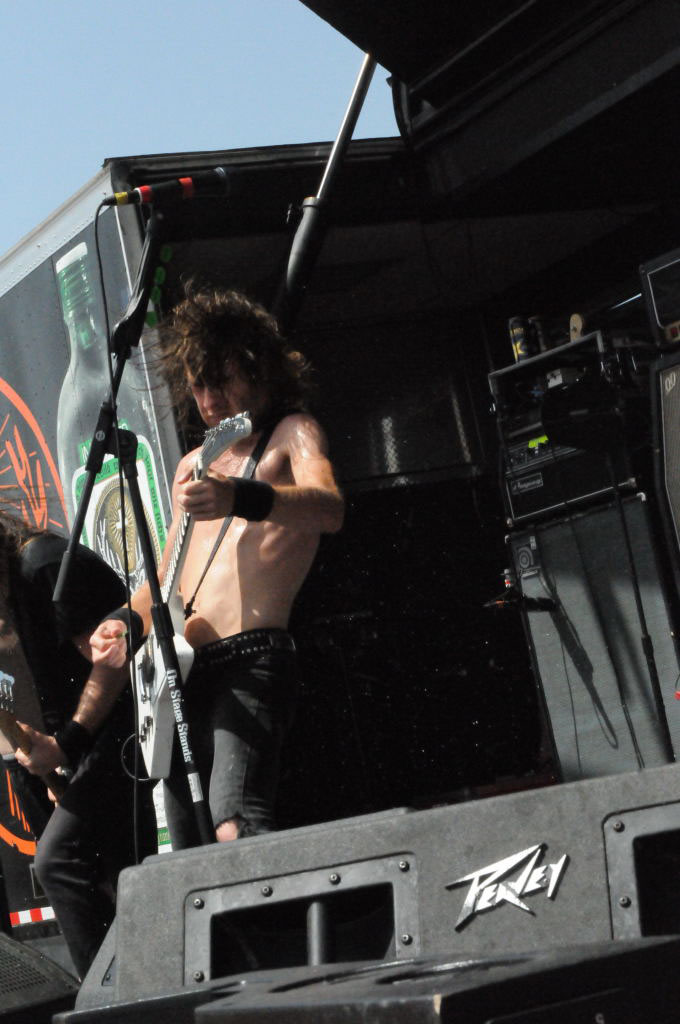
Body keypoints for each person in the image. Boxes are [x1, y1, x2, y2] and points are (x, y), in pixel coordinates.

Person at [90, 286, 344, 848]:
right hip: (185, 670)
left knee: (234, 823)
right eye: (197, 385)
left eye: (220, 381)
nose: (209, 402)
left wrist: (241, 497)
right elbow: (166, 579)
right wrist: (122, 622)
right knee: (189, 843)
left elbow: (329, 508)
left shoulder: (292, 432)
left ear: (257, 369)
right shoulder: (193, 463)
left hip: (252, 657)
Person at [2, 511, 156, 980]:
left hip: (119, 734)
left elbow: (114, 663)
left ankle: (111, 996)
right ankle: (131, 985)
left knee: (65, 860)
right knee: (107, 879)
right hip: (65, 752)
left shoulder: (46, 566)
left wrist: (66, 745)